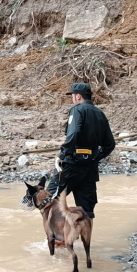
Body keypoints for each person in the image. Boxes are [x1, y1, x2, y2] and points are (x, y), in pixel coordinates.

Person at [49, 82, 115, 221]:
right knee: (86, 208)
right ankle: (83, 241)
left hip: (71, 164)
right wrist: (95, 157)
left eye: (72, 96)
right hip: (90, 168)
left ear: (78, 96)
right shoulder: (100, 114)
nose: (72, 99)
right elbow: (110, 144)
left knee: (51, 199)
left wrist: (62, 154)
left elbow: (73, 134)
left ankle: (58, 239)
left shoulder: (77, 110)